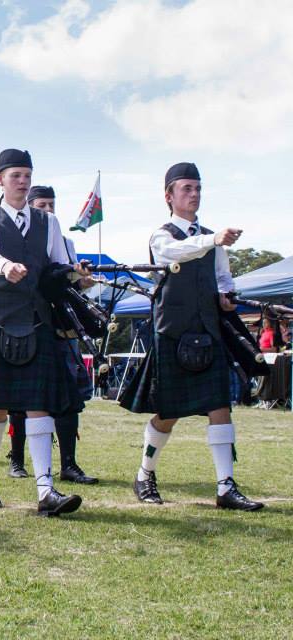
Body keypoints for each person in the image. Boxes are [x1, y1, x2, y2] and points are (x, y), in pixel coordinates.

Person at [0, 149, 87, 517]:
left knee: (38, 405)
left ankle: (46, 490)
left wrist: (78, 275)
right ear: (0, 180)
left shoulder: (48, 223)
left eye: (27, 175)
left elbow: (58, 267)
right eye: (15, 175)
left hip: (37, 320)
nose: (23, 182)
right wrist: (5, 265)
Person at [121, 162, 263, 511]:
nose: (194, 194)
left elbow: (222, 276)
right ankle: (144, 474)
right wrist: (212, 240)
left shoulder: (213, 239)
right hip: (172, 332)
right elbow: (177, 253)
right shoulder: (162, 235)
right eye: (186, 188)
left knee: (220, 408)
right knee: (168, 413)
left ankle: (226, 486)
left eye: (198, 188)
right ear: (169, 195)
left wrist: (226, 296)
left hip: (208, 330)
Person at [6, 185, 98, 485]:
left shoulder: (66, 242)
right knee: (22, 397)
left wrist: (83, 282)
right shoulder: (20, 242)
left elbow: (70, 284)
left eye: (52, 205)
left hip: (62, 326)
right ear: (30, 208)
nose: (48, 211)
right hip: (29, 323)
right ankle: (17, 459)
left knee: (68, 397)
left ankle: (69, 465)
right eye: (42, 205)